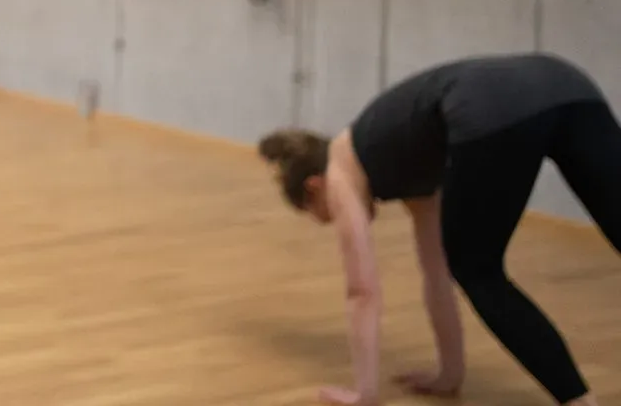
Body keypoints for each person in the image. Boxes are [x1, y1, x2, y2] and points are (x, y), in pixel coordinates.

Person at [258, 53, 620, 406]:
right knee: (463, 262)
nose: (334, 218)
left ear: (314, 186)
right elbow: (436, 270)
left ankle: (578, 400)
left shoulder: (342, 167)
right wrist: (450, 373)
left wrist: (364, 393)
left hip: (491, 107)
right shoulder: (401, 157)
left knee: (478, 270)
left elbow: (362, 291)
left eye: (324, 214)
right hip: (569, 86)